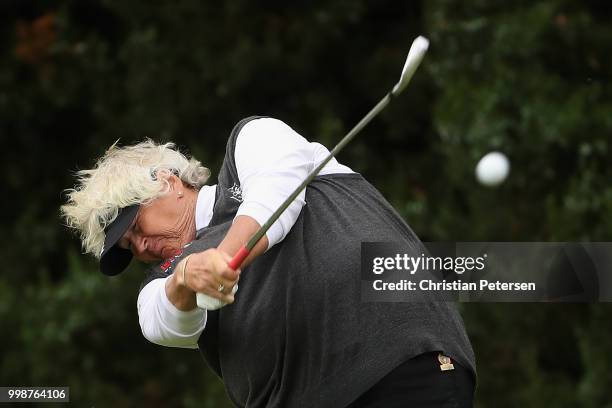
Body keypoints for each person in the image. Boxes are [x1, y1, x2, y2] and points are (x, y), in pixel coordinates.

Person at [62, 116, 476, 407]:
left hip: (400, 367)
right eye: (129, 248)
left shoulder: (250, 145)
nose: (143, 246)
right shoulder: (167, 280)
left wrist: (225, 257)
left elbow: (280, 190)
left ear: (168, 182)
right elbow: (160, 321)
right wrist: (187, 277)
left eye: (137, 224)